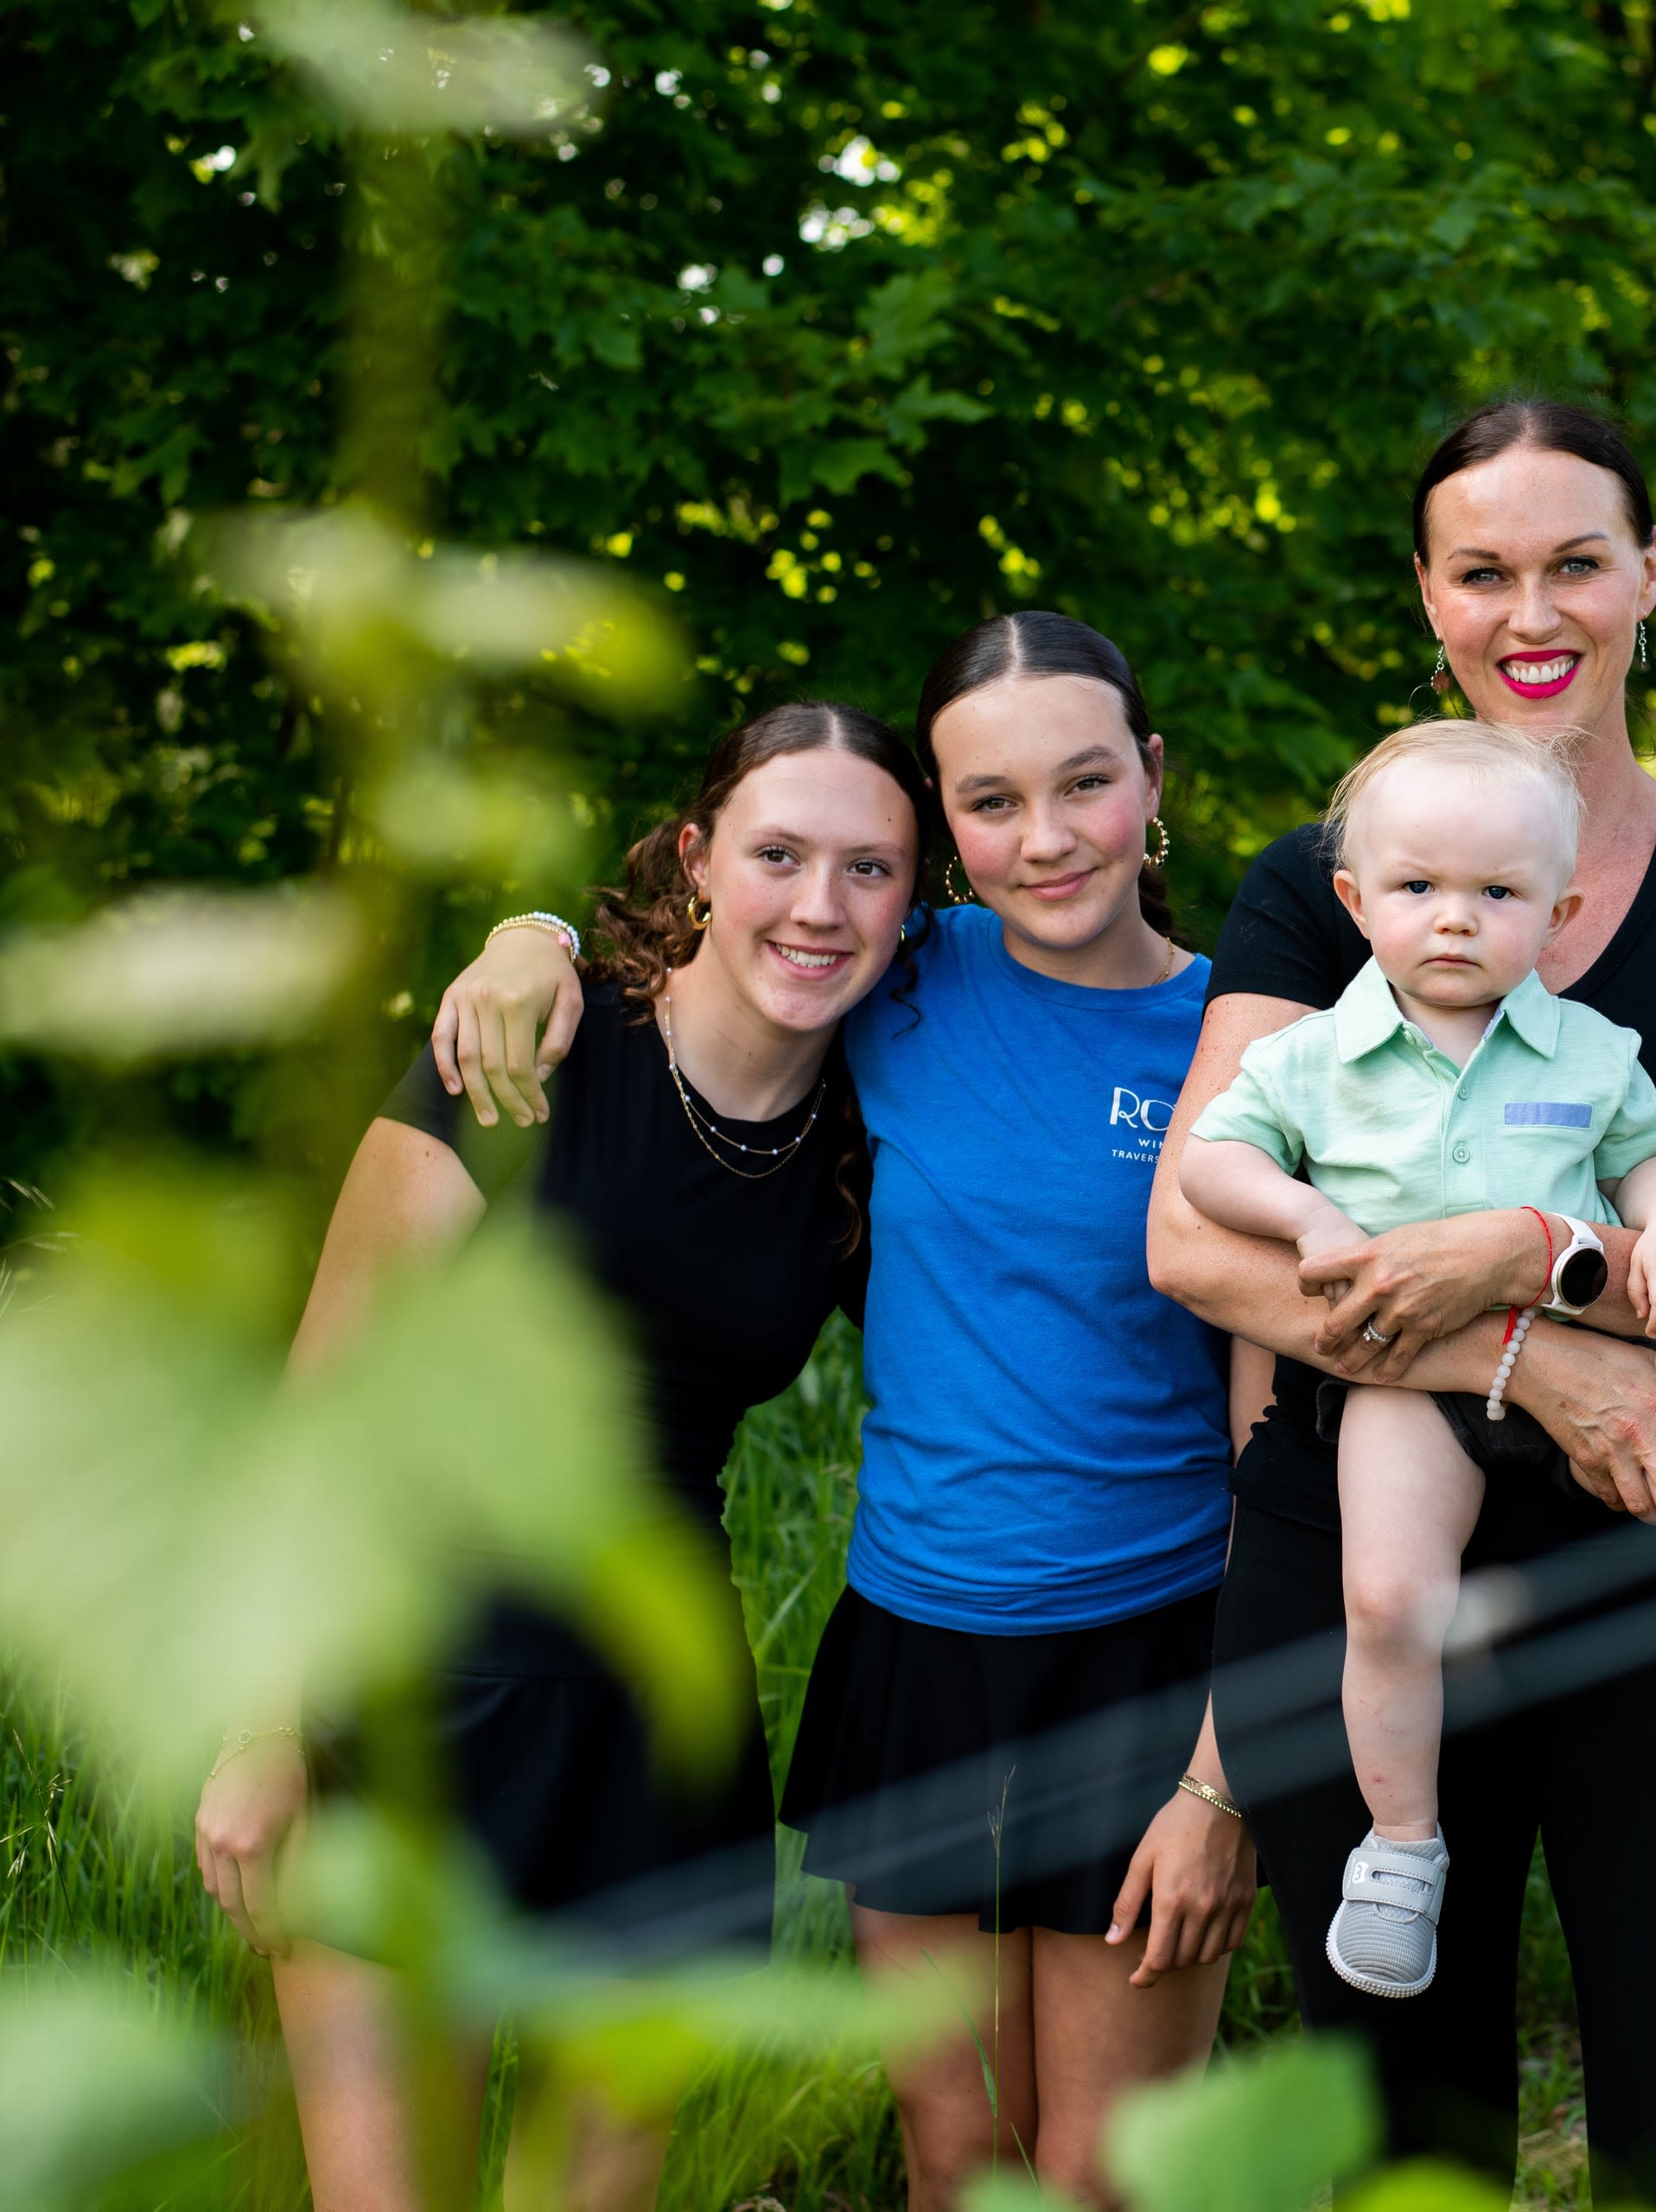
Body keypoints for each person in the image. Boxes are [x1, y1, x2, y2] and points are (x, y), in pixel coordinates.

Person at [424, 614, 1254, 2212]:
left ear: (1152, 781)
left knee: (1105, 2174)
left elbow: (1283, 1418)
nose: (1045, 835)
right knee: (954, 2156)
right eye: (991, 802)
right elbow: (733, 933)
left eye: (1085, 784)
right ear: (947, 830)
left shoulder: (1244, 1035)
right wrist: (524, 931)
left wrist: (1232, 1765)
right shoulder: (896, 978)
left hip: (1146, 1639)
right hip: (915, 1641)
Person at [1146, 397, 1656, 2210]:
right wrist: (1532, 1336)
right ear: (1430, 594)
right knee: (1406, 2142)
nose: (1530, 608)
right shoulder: (1335, 892)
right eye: (1484, 570)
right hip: (1363, 1540)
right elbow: (1197, 1238)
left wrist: (1501, 1256)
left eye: (1574, 560)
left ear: (1648, 573)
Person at [191, 701, 927, 2212]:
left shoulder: (871, 1137)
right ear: (695, 861)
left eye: (871, 869)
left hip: (656, 1714)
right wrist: (257, 1731)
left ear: (915, 903)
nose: (819, 904)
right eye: (779, 854)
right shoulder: (530, 1051)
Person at [1180, 721, 1656, 1999]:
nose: (1455, 921)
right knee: (1388, 1598)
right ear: (1356, 902)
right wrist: (1310, 1216)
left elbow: (1649, 1150)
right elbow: (1213, 1161)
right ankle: (1403, 1842)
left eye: (1497, 894)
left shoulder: (1587, 1052)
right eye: (1418, 890)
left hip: (1591, 1363)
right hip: (1409, 1386)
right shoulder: (1312, 1055)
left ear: (1559, 908)